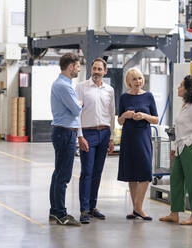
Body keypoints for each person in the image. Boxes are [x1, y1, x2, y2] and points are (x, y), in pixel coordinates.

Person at [159, 75, 192, 225]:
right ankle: (174, 213)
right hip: (181, 148)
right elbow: (181, 130)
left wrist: (188, 143)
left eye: (181, 85)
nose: (178, 88)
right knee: (176, 180)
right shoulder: (185, 106)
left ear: (188, 90)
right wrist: (176, 147)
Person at [75, 58, 115, 224]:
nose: (97, 71)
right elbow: (76, 113)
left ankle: (93, 207)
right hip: (88, 133)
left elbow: (112, 114)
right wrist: (80, 135)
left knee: (97, 172)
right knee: (87, 172)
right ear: (91, 69)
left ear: (105, 71)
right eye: (94, 68)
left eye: (100, 69)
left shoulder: (109, 90)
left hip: (104, 133)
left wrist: (112, 138)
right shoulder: (81, 87)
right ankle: (84, 209)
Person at [117, 68, 159, 221]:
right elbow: (119, 121)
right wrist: (125, 116)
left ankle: (138, 207)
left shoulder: (148, 96)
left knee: (145, 172)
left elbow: (156, 119)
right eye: (134, 79)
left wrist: (144, 116)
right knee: (132, 173)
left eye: (140, 78)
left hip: (143, 137)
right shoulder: (124, 98)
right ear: (128, 82)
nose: (138, 82)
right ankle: (136, 209)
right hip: (129, 137)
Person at [49, 53, 83, 226]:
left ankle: (55, 211)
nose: (78, 69)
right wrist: (80, 103)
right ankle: (61, 214)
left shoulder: (62, 84)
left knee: (58, 173)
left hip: (63, 132)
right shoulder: (64, 86)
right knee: (63, 175)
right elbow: (77, 110)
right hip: (65, 133)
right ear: (70, 67)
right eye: (77, 66)